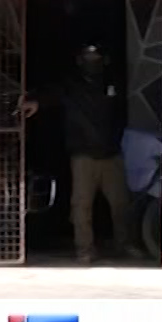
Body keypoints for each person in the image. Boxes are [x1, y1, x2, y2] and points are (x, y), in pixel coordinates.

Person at [21, 45, 131, 265]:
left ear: (104, 59)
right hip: (83, 155)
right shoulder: (71, 85)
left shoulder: (114, 83)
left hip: (112, 153)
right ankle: (85, 250)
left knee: (121, 204)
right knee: (81, 205)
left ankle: (124, 245)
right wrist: (35, 102)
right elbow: (51, 95)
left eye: (96, 56)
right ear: (80, 60)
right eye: (88, 56)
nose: (93, 60)